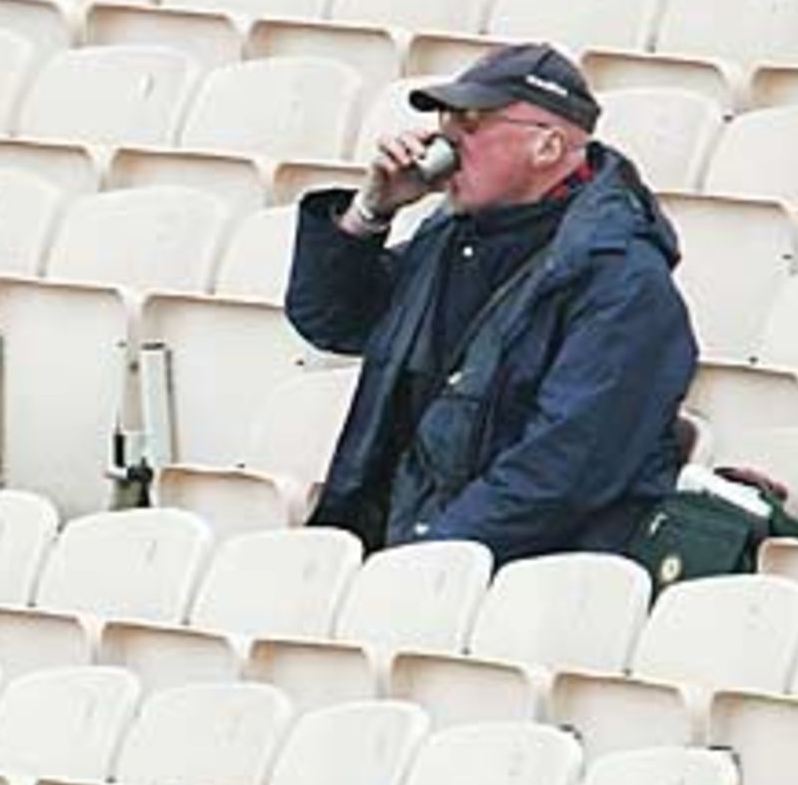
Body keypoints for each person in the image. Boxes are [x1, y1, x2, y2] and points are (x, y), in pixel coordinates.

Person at [285, 41, 698, 564]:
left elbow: (560, 473)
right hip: (409, 549)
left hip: (520, 580)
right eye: (445, 120)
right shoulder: (453, 236)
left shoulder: (622, 280)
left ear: (547, 148)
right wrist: (369, 212)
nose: (446, 141)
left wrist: (424, 562)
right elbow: (332, 321)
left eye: (472, 123)